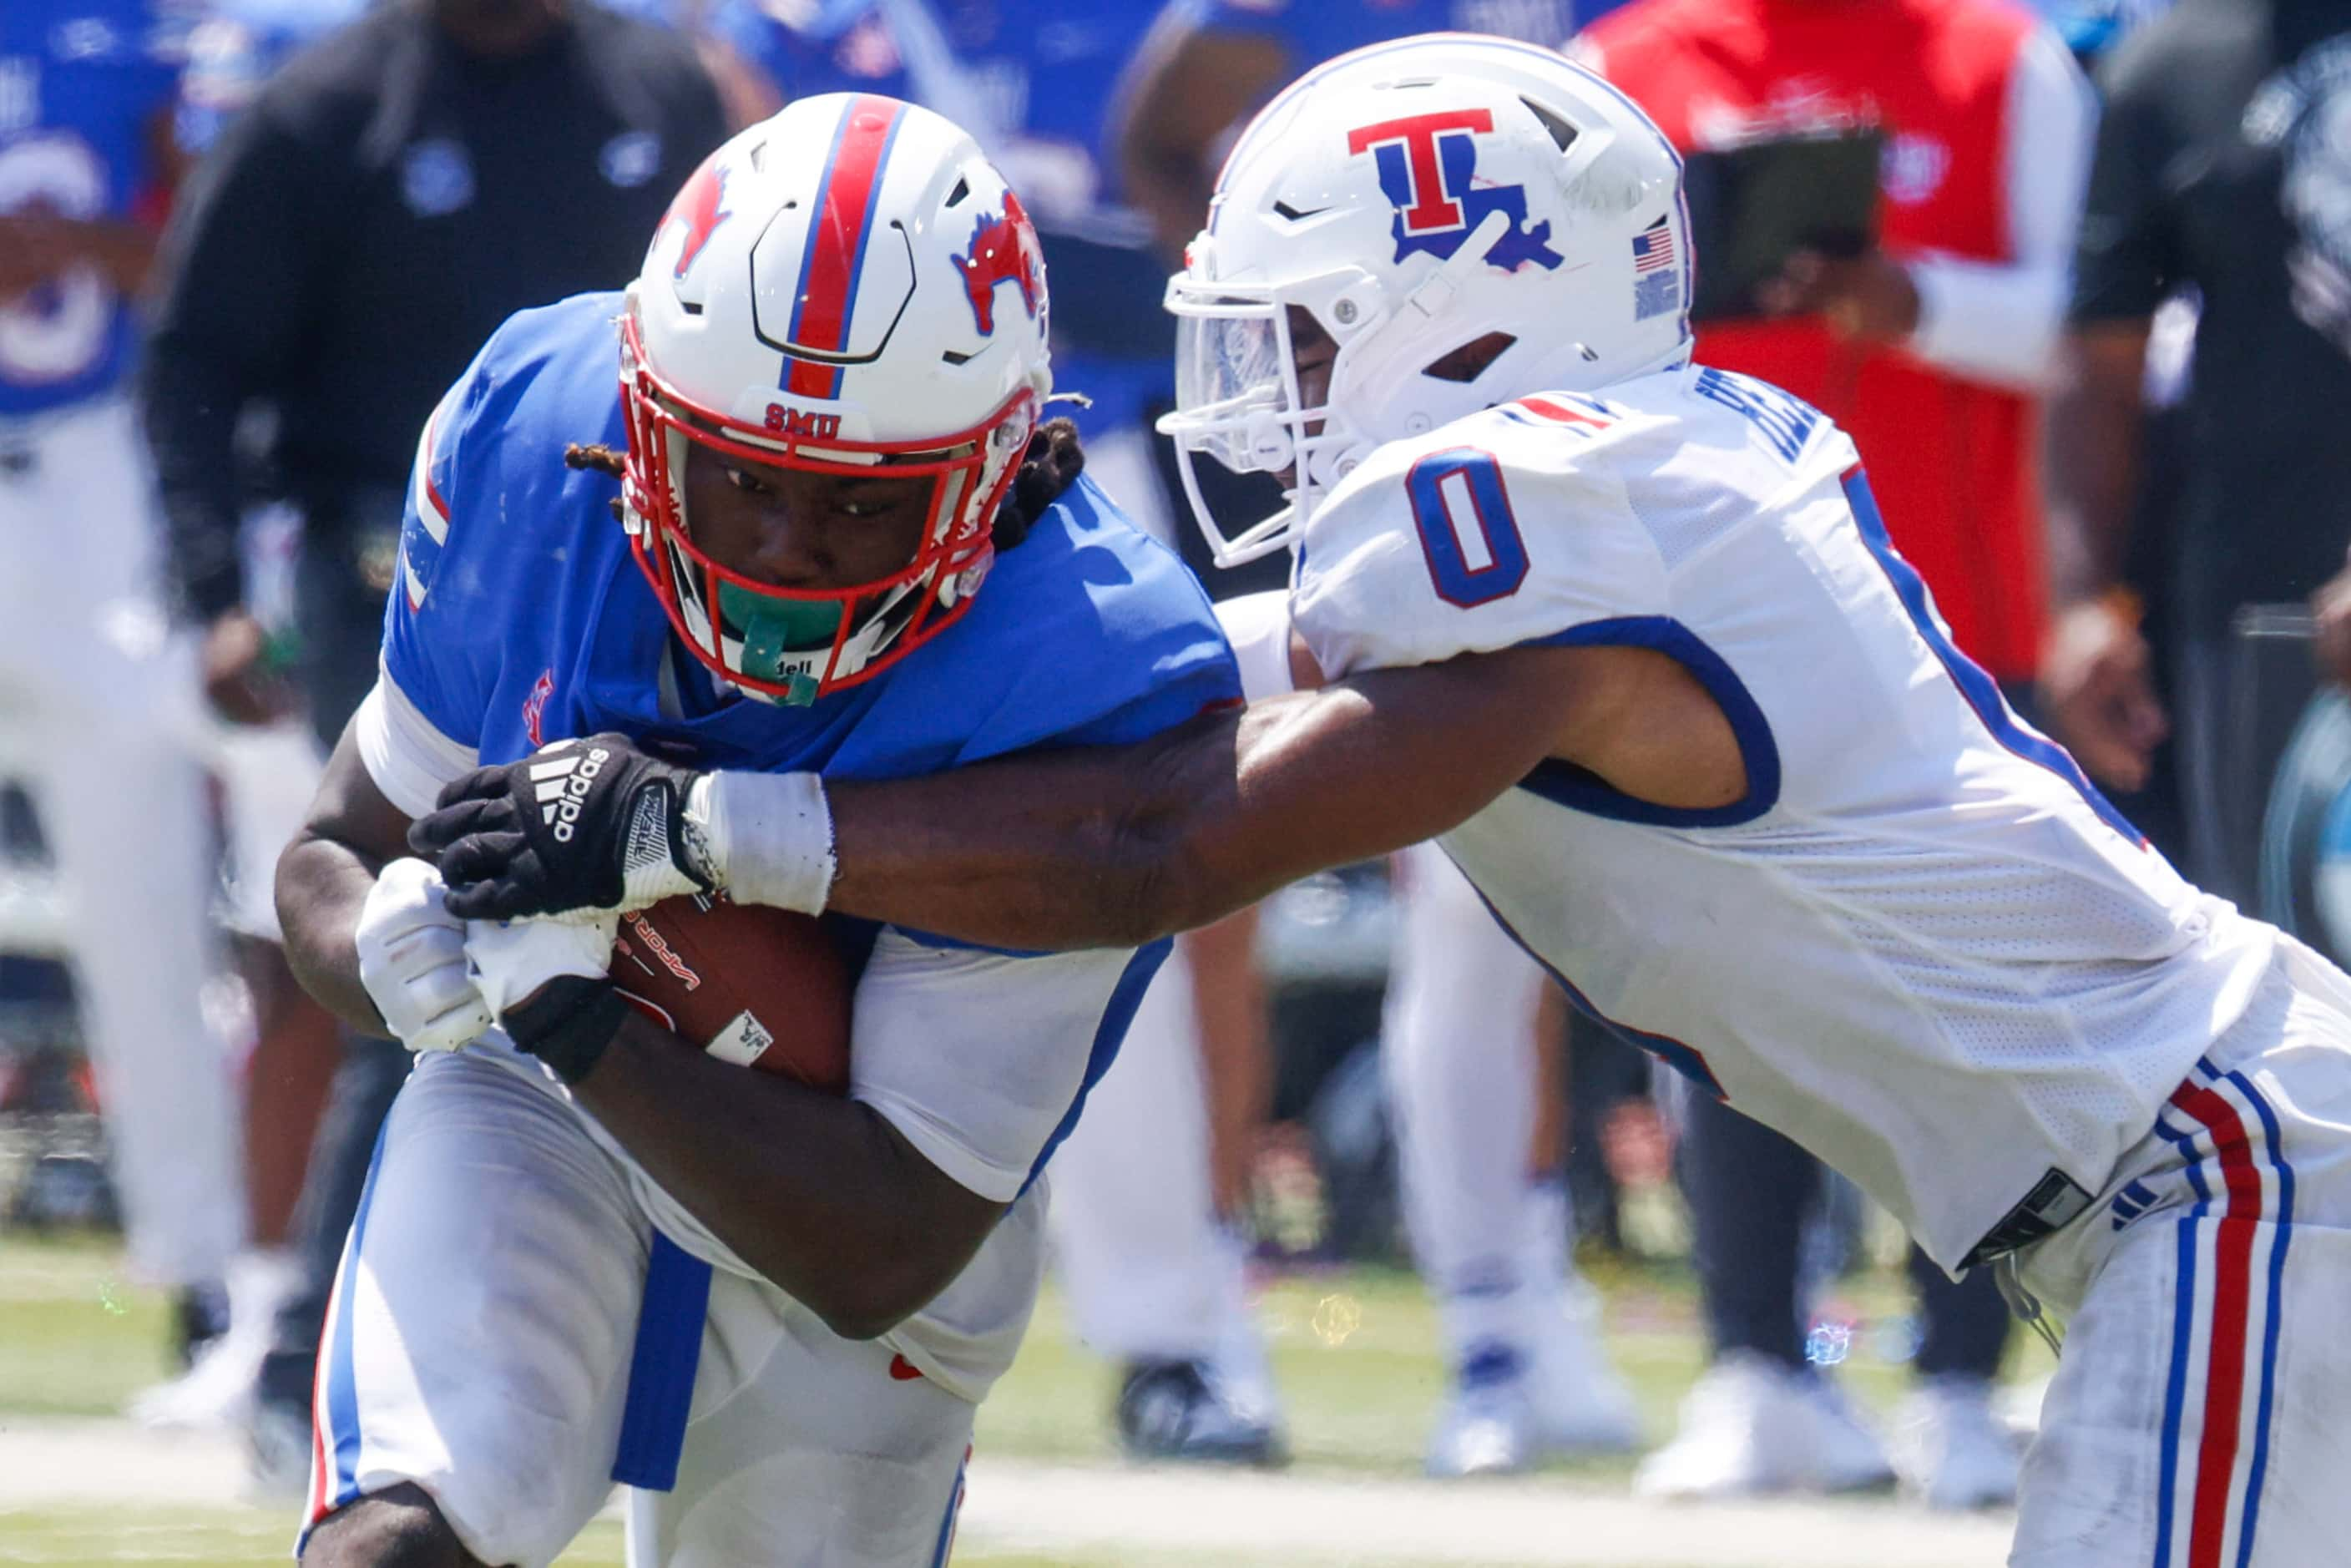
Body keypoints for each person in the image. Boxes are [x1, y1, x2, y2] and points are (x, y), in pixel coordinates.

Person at [423, 36, 2351, 1565]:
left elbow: (1158, 837)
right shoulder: (1643, 487)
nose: (1275, 388)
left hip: (2228, 1171)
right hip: (2196, 1175)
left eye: (1316, 330)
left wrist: (700, 826)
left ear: (1480, 316)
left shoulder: (1555, 494)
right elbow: (1177, 704)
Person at [275, 92, 1236, 1565]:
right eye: (739, 476)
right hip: (535, 1105)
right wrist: (384, 943)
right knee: (394, 1545)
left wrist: (574, 997)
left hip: (844, 1177)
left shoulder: (1099, 667)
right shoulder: (536, 426)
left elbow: (883, 1239)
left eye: (859, 503)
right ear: (642, 417)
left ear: (1004, 473)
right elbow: (334, 844)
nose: (783, 547)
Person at [143, 0, 731, 1485]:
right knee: (427, 941)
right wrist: (216, 593)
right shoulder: (329, 109)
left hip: (670, 581)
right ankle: (307, 1360)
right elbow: (195, 358)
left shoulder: (661, 90)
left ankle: (699, 1356)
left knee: (702, 950)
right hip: (409, 583)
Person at [1575, 0, 2099, 1505]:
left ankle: (1960, 1377)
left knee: (1980, 997)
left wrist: (1909, 298)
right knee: (1715, 986)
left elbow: (2088, 317)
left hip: (1963, 614)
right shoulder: (1625, 67)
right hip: (1695, 618)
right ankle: (1754, 1363)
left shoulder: (2007, 62)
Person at [1121, 0, 1646, 1477]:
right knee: (1461, 888)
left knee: (1507, 904)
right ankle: (1469, 1309)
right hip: (1451, 453)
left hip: (1543, 446)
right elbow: (1164, 135)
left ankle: (1512, 1292)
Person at [0, 0, 245, 1341]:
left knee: (145, 904)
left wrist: (89, 245)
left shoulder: (141, 30)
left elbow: (214, 261)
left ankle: (204, 1269)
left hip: (94, 473)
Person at [2040, 0, 2351, 902]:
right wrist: (2080, 603)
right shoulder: (2171, 64)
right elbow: (2097, 358)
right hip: (2254, 628)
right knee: (2288, 1003)